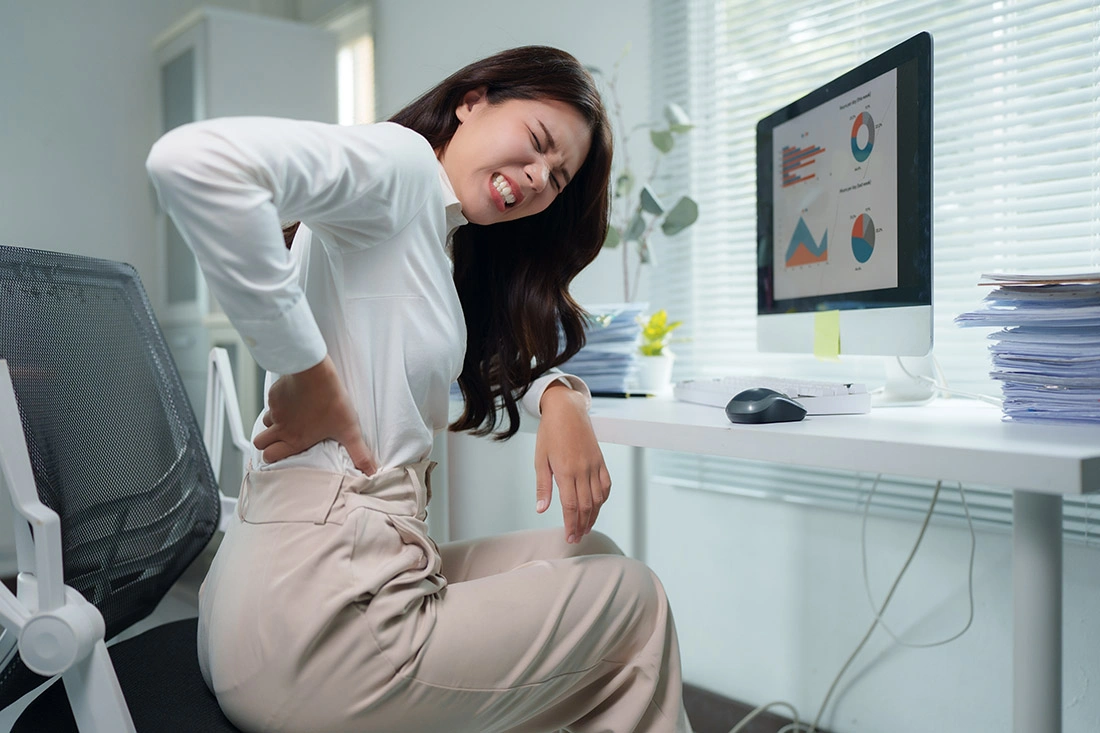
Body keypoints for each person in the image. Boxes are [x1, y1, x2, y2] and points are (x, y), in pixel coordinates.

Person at [146, 45, 691, 733]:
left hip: (290, 592)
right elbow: (192, 162)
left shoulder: (432, 230)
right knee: (635, 600)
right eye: (538, 143)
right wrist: (305, 369)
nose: (536, 180)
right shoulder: (400, 167)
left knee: (590, 557)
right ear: (474, 100)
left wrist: (561, 394)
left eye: (556, 179)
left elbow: (482, 360)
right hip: (314, 622)